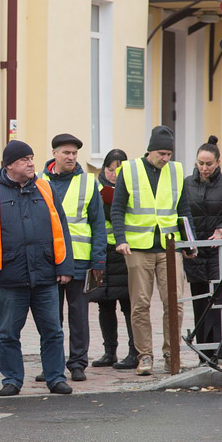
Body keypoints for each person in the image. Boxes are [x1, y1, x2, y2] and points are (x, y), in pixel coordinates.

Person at [0, 140, 74, 397]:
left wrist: (64, 266)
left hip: (45, 274)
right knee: (7, 334)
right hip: (9, 276)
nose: (31, 163)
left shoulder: (46, 189)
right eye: (25, 159)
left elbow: (62, 229)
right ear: (10, 165)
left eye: (32, 158)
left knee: (53, 331)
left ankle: (55, 378)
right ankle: (12, 380)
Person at [110, 126, 195, 376]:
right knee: (140, 305)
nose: (165, 158)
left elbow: (184, 210)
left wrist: (190, 242)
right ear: (150, 150)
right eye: (161, 153)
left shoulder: (177, 171)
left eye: (169, 154)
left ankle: (172, 354)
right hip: (138, 247)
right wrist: (120, 239)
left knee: (175, 304)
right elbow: (117, 209)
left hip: (170, 247)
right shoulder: (129, 170)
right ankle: (144, 355)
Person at [39, 133, 106, 383]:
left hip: (80, 260)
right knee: (49, 317)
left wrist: (98, 261)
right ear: (54, 153)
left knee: (78, 316)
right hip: (48, 261)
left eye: (74, 153)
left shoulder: (89, 183)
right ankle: (51, 365)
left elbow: (98, 224)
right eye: (66, 152)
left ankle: (77, 363)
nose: (71, 157)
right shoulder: (39, 181)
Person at [183, 136, 222, 358]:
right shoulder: (187, 184)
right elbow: (182, 215)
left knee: (217, 300)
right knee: (199, 299)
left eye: (209, 164)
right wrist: (186, 242)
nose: (204, 168)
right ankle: (203, 353)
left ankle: (217, 352)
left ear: (218, 162)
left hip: (220, 249)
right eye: (200, 163)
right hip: (196, 250)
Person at [85, 149, 137, 369]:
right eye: (110, 169)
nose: (114, 174)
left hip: (124, 251)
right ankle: (109, 352)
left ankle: (135, 351)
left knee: (129, 304)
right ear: (103, 169)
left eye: (119, 169)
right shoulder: (95, 188)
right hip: (101, 251)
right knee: (104, 303)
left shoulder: (133, 188)